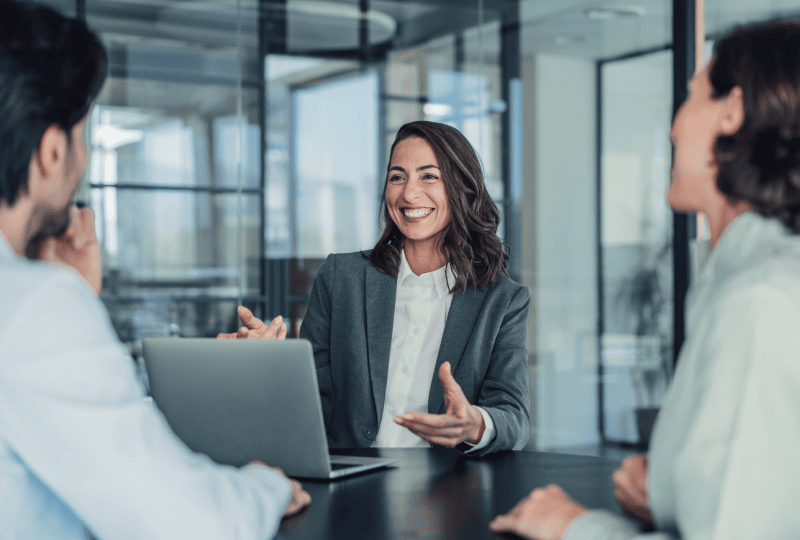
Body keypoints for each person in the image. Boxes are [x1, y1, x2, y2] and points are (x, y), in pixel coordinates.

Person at [0, 3, 310, 539]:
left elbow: (69, 425)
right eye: (81, 136)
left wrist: (74, 296)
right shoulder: (32, 305)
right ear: (51, 150)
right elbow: (192, 524)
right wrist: (264, 486)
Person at [490, 18, 800, 540]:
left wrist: (575, 527)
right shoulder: (742, 285)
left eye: (691, 96)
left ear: (733, 111)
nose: (675, 126)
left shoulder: (759, 302)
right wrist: (676, 499)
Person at [221, 121, 531, 455]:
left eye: (429, 176)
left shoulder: (503, 301)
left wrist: (475, 423)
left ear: (463, 188)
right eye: (398, 177)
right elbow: (311, 403)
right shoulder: (342, 277)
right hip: (349, 481)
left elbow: (514, 415)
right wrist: (270, 364)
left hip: (446, 489)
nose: (409, 193)